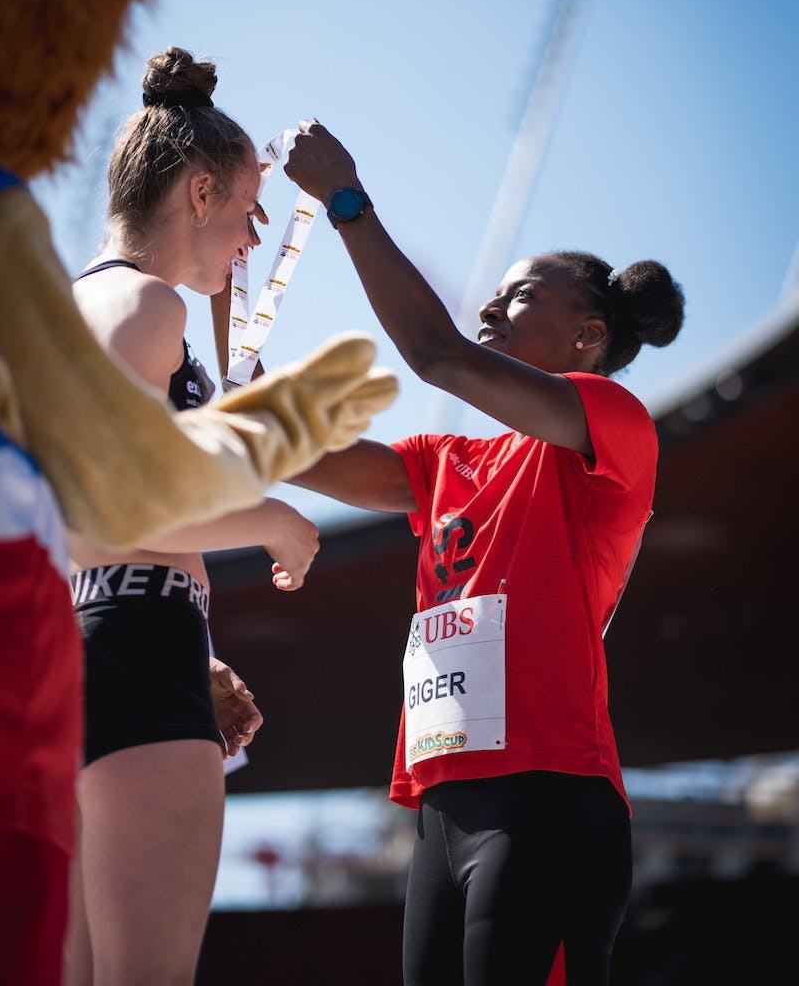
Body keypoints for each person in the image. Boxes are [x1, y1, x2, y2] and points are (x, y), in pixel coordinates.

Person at [279, 121, 686, 986]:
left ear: (586, 336)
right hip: (436, 805)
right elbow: (306, 456)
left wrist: (347, 204)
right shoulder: (445, 463)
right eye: (497, 294)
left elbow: (436, 355)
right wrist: (207, 406)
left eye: (524, 294)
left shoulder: (610, 421)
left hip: (550, 796)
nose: (494, 307)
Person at [64, 48, 324, 986]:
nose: (255, 239)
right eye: (252, 211)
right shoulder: (144, 304)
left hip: (83, 642)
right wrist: (272, 518)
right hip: (130, 649)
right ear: (202, 193)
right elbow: (105, 503)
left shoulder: (72, 311)